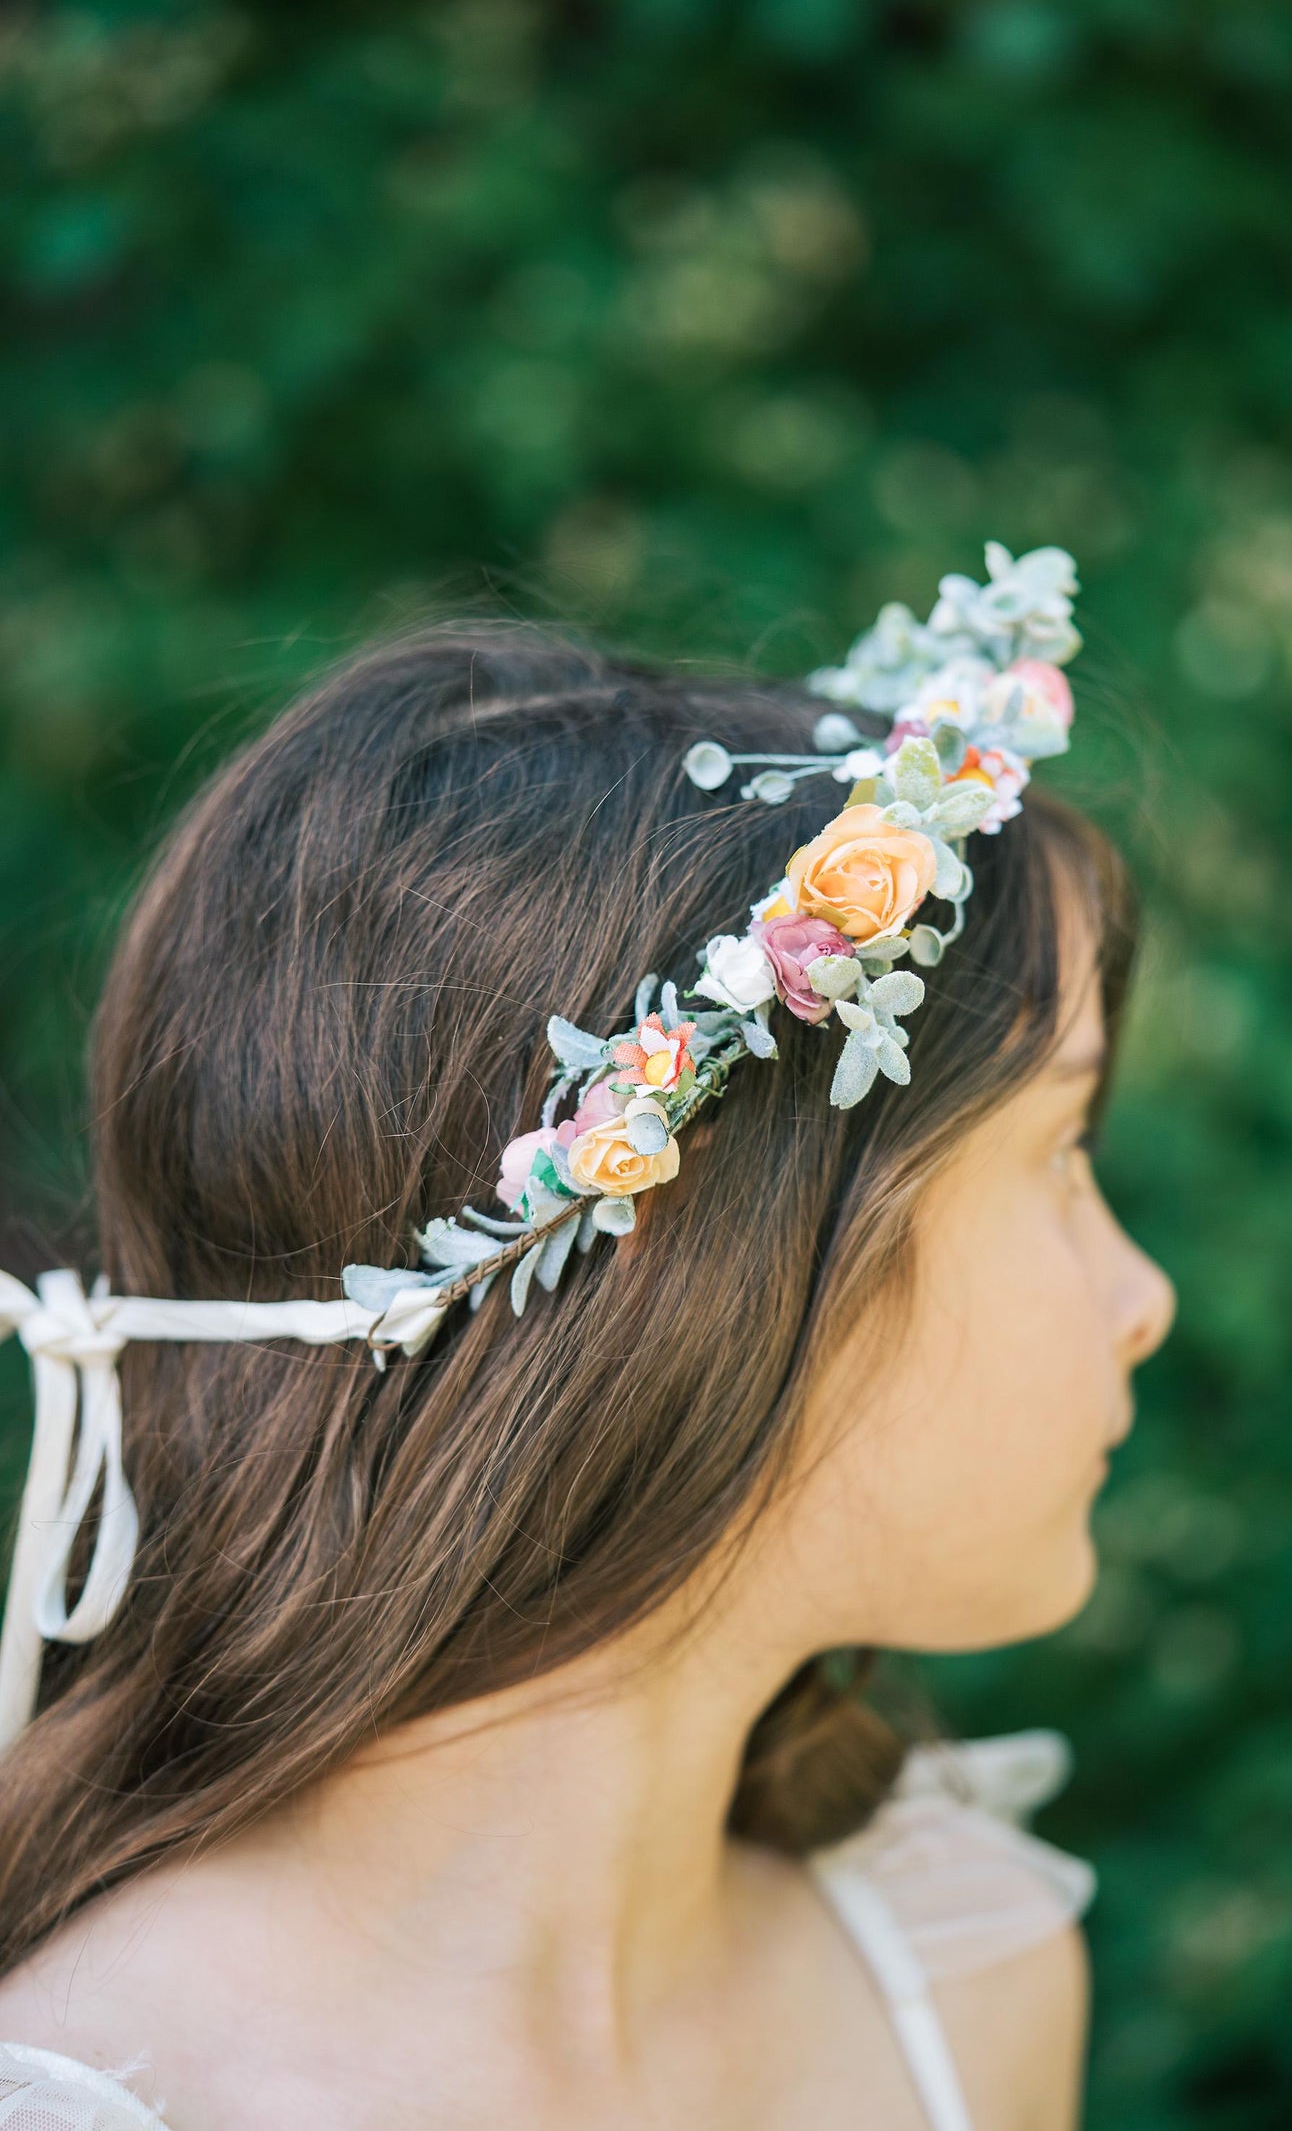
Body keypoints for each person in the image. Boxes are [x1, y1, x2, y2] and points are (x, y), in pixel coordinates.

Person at [0, 562, 1175, 2130]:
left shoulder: (961, 1984)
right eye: (1059, 1151)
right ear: (714, 1253)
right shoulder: (103, 2097)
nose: (1142, 1289)